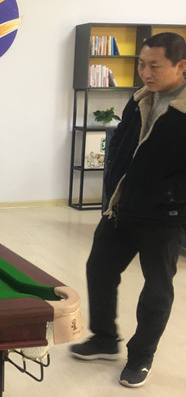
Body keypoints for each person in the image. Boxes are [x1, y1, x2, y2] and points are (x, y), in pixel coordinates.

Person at [70, 32, 186, 388]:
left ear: (181, 66)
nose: (145, 73)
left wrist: (166, 195)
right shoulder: (139, 100)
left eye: (155, 66)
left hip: (164, 217)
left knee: (157, 289)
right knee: (99, 269)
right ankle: (104, 339)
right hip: (121, 209)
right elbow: (122, 144)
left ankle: (141, 356)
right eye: (141, 65)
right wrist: (111, 188)